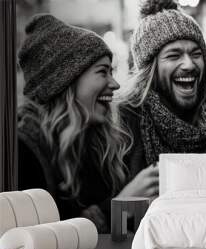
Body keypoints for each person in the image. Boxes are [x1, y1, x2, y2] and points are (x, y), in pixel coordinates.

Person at [18, 14, 129, 233]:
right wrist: (122, 204)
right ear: (65, 82)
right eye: (102, 72)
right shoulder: (23, 150)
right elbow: (36, 240)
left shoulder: (98, 142)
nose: (114, 84)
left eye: (112, 72)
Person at [118, 0, 206, 198]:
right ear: (151, 69)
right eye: (174, 55)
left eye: (196, 54)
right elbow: (110, 224)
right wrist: (125, 201)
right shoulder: (124, 124)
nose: (189, 65)